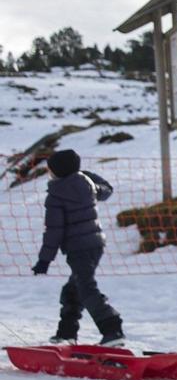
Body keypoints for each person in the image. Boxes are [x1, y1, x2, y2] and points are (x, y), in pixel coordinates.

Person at [29, 148, 125, 347]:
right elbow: (107, 189)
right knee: (74, 288)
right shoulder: (88, 185)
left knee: (86, 287)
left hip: (77, 248)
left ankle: (112, 328)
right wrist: (87, 175)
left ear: (56, 172)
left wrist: (44, 260)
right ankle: (66, 333)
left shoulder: (55, 195)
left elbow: (54, 231)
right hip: (96, 245)